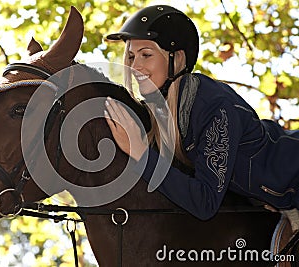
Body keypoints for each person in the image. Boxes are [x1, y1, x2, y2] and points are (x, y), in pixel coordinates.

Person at [103, 5, 299, 223]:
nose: (135, 66)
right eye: (130, 57)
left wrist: (140, 152)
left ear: (177, 58)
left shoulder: (211, 103)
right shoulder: (163, 114)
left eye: (146, 55)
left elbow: (205, 203)